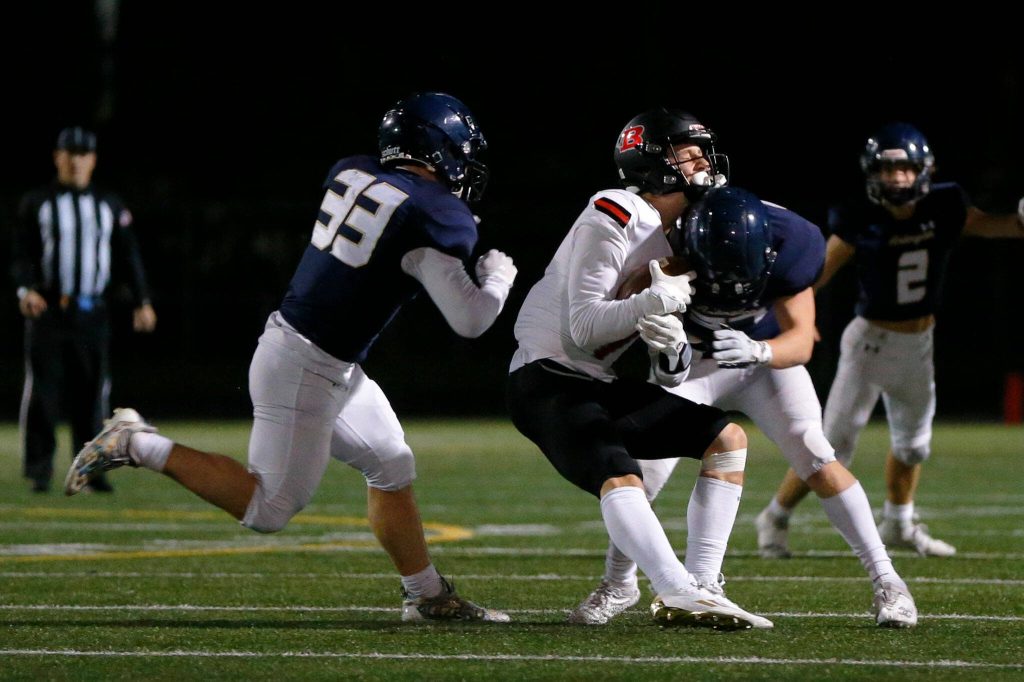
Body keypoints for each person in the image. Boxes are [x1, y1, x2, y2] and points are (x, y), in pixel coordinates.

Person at [64, 93, 516, 623]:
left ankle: (427, 594)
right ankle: (136, 443)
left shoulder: (358, 173)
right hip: (306, 366)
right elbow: (472, 319)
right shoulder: (428, 214)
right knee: (268, 508)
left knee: (391, 462)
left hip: (322, 360)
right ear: (439, 149)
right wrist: (499, 277)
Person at [575, 184, 919, 628]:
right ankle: (619, 584)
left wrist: (760, 352)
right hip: (695, 364)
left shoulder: (794, 244)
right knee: (645, 472)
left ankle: (889, 581)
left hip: (762, 358)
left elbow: (800, 340)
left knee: (814, 452)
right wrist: (670, 354)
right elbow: (661, 368)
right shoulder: (658, 254)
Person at [507, 108, 772, 631]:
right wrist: (654, 302)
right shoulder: (616, 211)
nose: (701, 162)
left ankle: (702, 585)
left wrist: (669, 348)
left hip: (594, 380)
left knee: (727, 438)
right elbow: (583, 327)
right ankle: (674, 592)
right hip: (544, 375)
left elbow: (669, 373)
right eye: (686, 152)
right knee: (619, 471)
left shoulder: (680, 239)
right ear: (653, 163)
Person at [756, 122, 1024, 559]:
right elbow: (818, 271)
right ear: (872, 173)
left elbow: (996, 226)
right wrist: (793, 320)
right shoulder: (859, 215)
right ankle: (776, 515)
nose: (897, 178)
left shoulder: (946, 204)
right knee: (833, 445)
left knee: (914, 444)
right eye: (887, 169)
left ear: (924, 170)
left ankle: (899, 523)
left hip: (919, 344)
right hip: (869, 344)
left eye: (905, 170)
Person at [12, 126, 157, 494]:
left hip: (92, 312)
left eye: (83, 154)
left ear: (92, 160)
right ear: (58, 157)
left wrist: (142, 300)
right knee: (43, 392)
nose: (76, 161)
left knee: (93, 394)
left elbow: (129, 254)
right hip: (49, 309)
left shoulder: (108, 204)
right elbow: (20, 252)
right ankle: (39, 470)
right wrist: (25, 289)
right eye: (70, 153)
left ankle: (92, 471)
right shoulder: (38, 201)